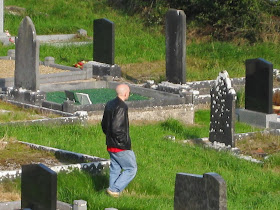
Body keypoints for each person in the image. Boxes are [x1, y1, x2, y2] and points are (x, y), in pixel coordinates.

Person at [101, 84, 137, 197]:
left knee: (115, 168)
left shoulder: (110, 104)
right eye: (129, 92)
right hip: (120, 145)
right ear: (125, 93)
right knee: (131, 168)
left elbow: (104, 125)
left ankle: (112, 194)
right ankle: (115, 189)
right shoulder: (122, 107)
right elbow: (117, 128)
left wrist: (109, 136)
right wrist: (125, 142)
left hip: (110, 143)